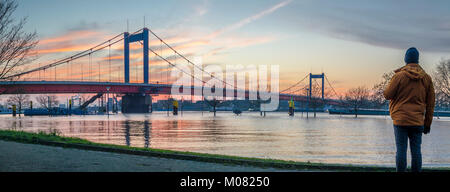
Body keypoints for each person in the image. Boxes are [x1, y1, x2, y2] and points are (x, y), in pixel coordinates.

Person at [384, 47, 435, 172]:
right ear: (417, 60)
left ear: (406, 59)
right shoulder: (427, 79)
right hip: (417, 121)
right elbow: (431, 104)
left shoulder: (399, 76)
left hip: (400, 120)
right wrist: (427, 124)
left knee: (401, 150)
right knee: (416, 151)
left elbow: (387, 95)